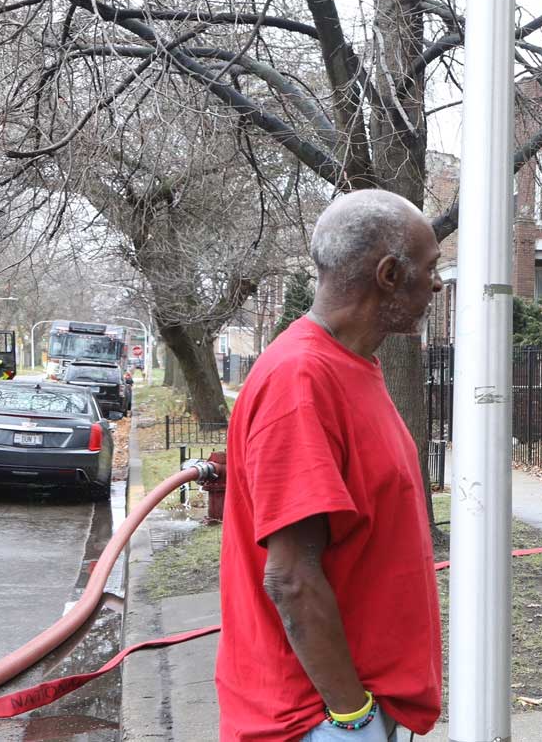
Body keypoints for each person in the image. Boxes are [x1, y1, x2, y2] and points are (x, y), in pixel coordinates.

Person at [216, 190, 444, 742]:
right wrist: (353, 720)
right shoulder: (301, 383)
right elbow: (291, 578)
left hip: (348, 707)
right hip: (314, 720)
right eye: (431, 268)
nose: (437, 285)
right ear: (389, 274)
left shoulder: (352, 366)